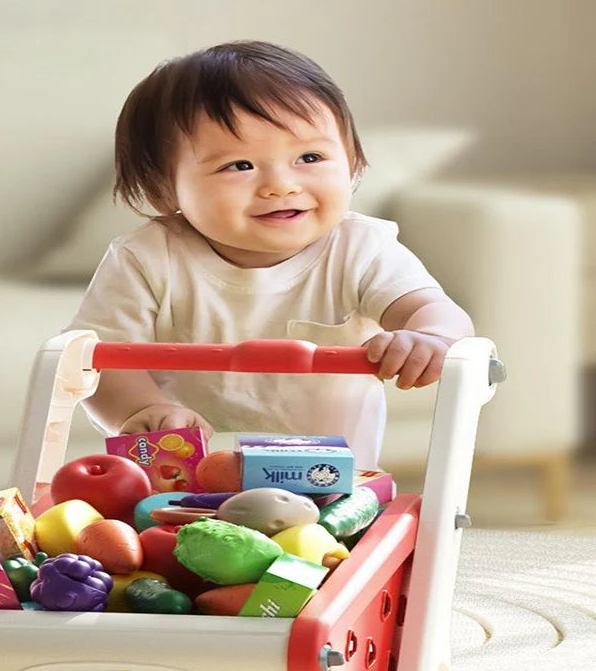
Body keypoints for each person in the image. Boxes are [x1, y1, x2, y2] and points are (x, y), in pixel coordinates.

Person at [66, 41, 474, 469]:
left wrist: (431, 338)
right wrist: (140, 410)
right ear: (164, 191)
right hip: (186, 474)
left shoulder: (360, 248)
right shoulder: (147, 257)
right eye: (239, 166)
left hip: (328, 475)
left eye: (310, 157)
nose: (281, 185)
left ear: (353, 166)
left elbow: (431, 308)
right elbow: (101, 359)